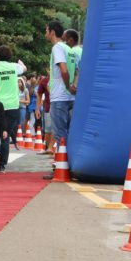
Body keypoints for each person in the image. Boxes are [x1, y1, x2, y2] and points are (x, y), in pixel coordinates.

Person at [43, 21, 77, 179]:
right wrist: (73, 86)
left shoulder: (57, 47)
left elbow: (63, 70)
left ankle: (62, 168)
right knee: (68, 133)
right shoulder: (69, 49)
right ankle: (69, 166)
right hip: (70, 97)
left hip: (59, 97)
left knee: (60, 135)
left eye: (46, 30)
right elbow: (77, 70)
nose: (45, 33)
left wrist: (67, 85)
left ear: (52, 32)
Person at [0, 45, 26, 173]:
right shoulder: (14, 67)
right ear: (10, 56)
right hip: (13, 105)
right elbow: (24, 69)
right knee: (5, 135)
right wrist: (21, 63)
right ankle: (2, 165)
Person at [35, 68, 54, 154]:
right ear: (47, 70)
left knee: (56, 128)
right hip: (48, 108)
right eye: (49, 69)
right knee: (48, 129)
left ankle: (51, 148)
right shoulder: (44, 81)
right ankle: (48, 148)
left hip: (59, 106)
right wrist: (37, 109)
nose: (51, 70)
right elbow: (39, 95)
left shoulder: (59, 79)